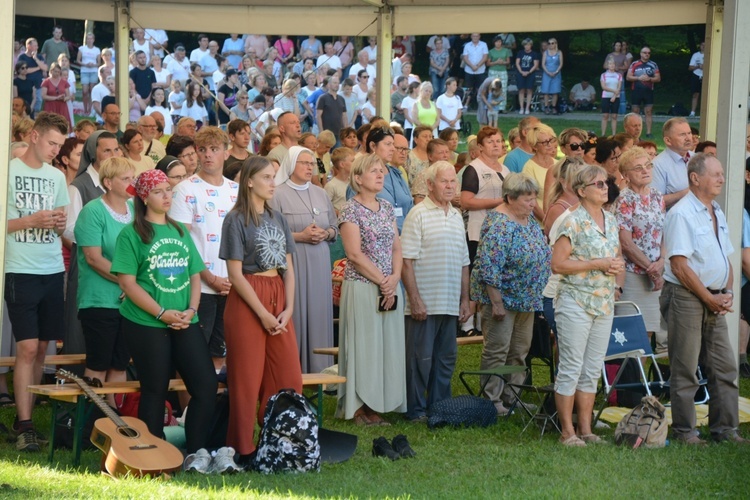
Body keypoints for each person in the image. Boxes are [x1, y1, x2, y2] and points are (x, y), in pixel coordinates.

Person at [111, 169, 216, 462]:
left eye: (168, 190)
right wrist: (161, 312)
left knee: (206, 386)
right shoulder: (131, 234)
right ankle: (153, 455)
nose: (167, 196)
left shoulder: (180, 230)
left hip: (185, 319)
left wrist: (191, 310)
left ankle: (195, 451)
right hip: (146, 322)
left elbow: (195, 274)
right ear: (144, 197)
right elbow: (127, 283)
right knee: (155, 390)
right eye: (158, 191)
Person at [219, 155, 303, 463]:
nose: (273, 183)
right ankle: (242, 449)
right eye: (267, 177)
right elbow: (235, 275)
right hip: (249, 297)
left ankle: (285, 442)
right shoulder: (235, 219)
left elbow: (289, 268)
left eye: (274, 177)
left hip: (278, 295)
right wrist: (262, 313)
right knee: (246, 378)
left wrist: (289, 307)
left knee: (287, 374)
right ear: (249, 180)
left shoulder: (278, 218)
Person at [660, 153, 747, 445]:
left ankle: (725, 429)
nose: (722, 179)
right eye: (715, 174)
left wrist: (728, 292)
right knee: (685, 367)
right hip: (687, 297)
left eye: (722, 173)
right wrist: (709, 298)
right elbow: (679, 266)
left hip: (715, 298)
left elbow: (725, 257)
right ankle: (685, 432)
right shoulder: (682, 213)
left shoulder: (716, 211)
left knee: (725, 366)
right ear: (695, 179)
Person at [5, 112, 69, 452]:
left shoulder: (56, 176)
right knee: (27, 347)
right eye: (51, 143)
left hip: (51, 266)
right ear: (33, 136)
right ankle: (25, 425)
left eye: (60, 145)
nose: (55, 151)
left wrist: (57, 222)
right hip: (19, 266)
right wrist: (31, 219)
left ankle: (24, 416)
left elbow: (60, 225)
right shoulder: (9, 171)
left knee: (43, 348)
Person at [551, 164, 623, 446]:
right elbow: (557, 264)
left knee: (593, 367)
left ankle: (586, 428)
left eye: (606, 183)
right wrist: (597, 264)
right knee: (571, 365)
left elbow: (615, 255)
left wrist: (616, 272)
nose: (605, 188)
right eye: (599, 184)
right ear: (581, 191)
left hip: (603, 302)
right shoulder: (571, 221)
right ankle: (567, 431)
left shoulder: (611, 219)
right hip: (576, 301)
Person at [336, 153, 407, 425]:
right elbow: (354, 254)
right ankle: (357, 407)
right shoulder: (350, 210)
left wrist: (395, 277)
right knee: (363, 345)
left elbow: (397, 247)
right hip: (364, 286)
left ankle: (377, 402)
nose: (381, 175)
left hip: (389, 285)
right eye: (374, 171)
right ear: (357, 178)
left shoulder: (387, 208)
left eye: (382, 171)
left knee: (384, 346)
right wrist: (383, 281)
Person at [472, 173, 550, 415]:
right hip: (502, 300)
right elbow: (489, 266)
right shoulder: (499, 224)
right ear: (509, 198)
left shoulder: (529, 221)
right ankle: (491, 399)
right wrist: (496, 303)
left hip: (527, 300)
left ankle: (512, 395)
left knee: (519, 350)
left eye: (534, 198)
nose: (532, 204)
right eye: (527, 199)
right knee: (498, 349)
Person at [401, 161, 470, 422]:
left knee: (445, 359)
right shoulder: (417, 214)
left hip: (451, 301)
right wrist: (415, 300)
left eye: (453, 181)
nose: (451, 186)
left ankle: (440, 408)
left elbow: (464, 262)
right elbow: (406, 261)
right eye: (444, 181)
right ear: (430, 185)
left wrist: (465, 300)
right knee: (420, 359)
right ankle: (415, 409)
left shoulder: (455, 215)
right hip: (425, 303)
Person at [168, 127, 238, 373]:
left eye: (214, 149)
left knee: (219, 356)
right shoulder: (185, 190)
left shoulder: (236, 191)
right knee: (192, 359)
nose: (208, 155)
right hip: (198, 286)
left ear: (226, 153)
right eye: (203, 150)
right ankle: (190, 412)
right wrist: (209, 277)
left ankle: (213, 410)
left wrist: (236, 279)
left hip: (232, 285)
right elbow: (181, 242)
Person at [271, 146, 337, 373]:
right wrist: (300, 236)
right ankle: (293, 370)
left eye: (312, 163)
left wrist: (325, 234)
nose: (310, 167)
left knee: (319, 314)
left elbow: (334, 229)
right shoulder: (276, 194)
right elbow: (269, 234)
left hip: (319, 263)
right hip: (293, 263)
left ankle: (322, 372)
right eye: (304, 163)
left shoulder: (321, 193)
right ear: (291, 165)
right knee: (296, 313)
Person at [74, 157, 134, 400]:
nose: (132, 183)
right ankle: (89, 426)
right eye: (126, 179)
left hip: (129, 302)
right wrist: (127, 282)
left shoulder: (136, 210)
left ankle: (115, 425)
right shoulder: (93, 211)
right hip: (99, 300)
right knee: (98, 364)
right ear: (108, 182)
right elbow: (94, 258)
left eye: (133, 177)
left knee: (119, 364)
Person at [614, 147, 667, 353]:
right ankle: (625, 383)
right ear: (625, 175)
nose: (645, 171)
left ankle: (639, 383)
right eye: (638, 168)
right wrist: (651, 269)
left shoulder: (656, 196)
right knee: (630, 333)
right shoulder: (624, 199)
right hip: (633, 273)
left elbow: (663, 231)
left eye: (648, 165)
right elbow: (625, 242)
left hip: (655, 272)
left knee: (648, 332)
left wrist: (662, 260)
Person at [650, 117, 694, 209]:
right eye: (682, 135)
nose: (688, 138)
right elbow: (654, 202)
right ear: (668, 141)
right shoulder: (658, 165)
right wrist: (688, 192)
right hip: (673, 220)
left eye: (689, 133)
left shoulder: (697, 159)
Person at [521, 124, 558, 220]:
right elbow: (530, 200)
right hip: (540, 223)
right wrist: (546, 221)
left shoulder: (558, 164)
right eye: (545, 142)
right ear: (535, 146)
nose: (550, 145)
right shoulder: (529, 168)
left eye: (551, 140)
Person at [627, 46, 660, 138]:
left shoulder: (653, 64)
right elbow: (628, 77)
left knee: (648, 111)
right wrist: (638, 78)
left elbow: (658, 78)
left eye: (649, 53)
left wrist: (650, 78)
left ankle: (648, 132)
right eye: (645, 52)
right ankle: (634, 133)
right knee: (635, 112)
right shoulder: (634, 64)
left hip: (648, 91)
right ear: (641, 53)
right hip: (636, 90)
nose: (647, 54)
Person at [40, 62, 72, 127]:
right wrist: (56, 98)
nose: (57, 73)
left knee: (62, 125)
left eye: (58, 72)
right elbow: (43, 96)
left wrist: (64, 98)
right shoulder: (46, 82)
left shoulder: (64, 82)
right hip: (50, 106)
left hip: (62, 106)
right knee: (50, 125)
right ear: (51, 71)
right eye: (55, 71)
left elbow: (68, 95)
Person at [462, 33, 488, 110]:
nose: (475, 37)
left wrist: (477, 66)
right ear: (471, 37)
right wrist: (472, 66)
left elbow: (485, 57)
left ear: (479, 36)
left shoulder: (484, 44)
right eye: (474, 36)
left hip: (480, 71)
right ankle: (466, 105)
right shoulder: (467, 45)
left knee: (480, 89)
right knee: (468, 89)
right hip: (469, 71)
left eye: (477, 36)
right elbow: (465, 57)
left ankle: (481, 105)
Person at [515, 38, 540, 115]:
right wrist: (521, 71)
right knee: (521, 90)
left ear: (531, 45)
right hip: (521, 73)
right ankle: (521, 108)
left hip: (530, 73)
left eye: (528, 45)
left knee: (529, 90)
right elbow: (517, 63)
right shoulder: (520, 53)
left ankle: (527, 108)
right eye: (525, 45)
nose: (527, 46)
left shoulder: (534, 54)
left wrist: (529, 72)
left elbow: (535, 64)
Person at [486, 35, 511, 112]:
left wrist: (503, 62)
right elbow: (488, 63)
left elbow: (508, 62)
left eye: (499, 42)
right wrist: (496, 62)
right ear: (494, 43)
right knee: (493, 88)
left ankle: (502, 107)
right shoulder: (491, 51)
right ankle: (492, 106)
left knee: (503, 88)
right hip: (493, 71)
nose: (498, 43)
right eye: (496, 42)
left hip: (503, 71)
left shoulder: (506, 51)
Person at [600, 58, 622, 136]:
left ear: (615, 65)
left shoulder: (618, 75)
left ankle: (613, 134)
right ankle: (603, 134)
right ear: (607, 65)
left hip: (616, 97)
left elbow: (619, 87)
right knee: (605, 115)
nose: (611, 65)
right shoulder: (603, 75)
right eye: (610, 64)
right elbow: (604, 87)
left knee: (614, 116)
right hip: (606, 96)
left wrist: (615, 96)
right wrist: (613, 91)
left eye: (613, 64)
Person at [541, 38, 563, 114]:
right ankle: (546, 107)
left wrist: (556, 71)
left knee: (555, 91)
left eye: (552, 43)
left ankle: (554, 107)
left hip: (556, 73)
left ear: (555, 44)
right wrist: (548, 72)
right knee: (546, 91)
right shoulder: (545, 53)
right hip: (547, 73)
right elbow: (543, 64)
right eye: (549, 43)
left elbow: (561, 64)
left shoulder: (559, 52)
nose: (551, 45)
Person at [688, 42, 704, 117]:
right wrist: (698, 66)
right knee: (695, 94)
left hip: (706, 76)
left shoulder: (710, 55)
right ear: (700, 46)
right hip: (696, 75)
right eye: (702, 45)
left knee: (706, 94)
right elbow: (690, 67)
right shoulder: (696, 55)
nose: (703, 47)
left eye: (705, 45)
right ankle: (693, 112)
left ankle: (704, 112)